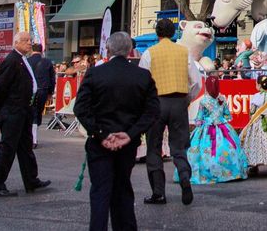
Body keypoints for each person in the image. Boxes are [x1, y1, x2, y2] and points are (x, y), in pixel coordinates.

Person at [75, 32, 159, 231]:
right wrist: (130, 134)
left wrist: (100, 133)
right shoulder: (141, 75)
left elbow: (81, 108)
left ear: (108, 49)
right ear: (130, 50)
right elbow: (152, 111)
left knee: (100, 192)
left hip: (100, 141)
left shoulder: (95, 73)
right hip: (127, 141)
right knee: (122, 188)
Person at [137, 18, 200, 206]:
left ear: (157, 33)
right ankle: (184, 178)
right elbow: (196, 82)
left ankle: (158, 193)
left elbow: (142, 82)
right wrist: (186, 99)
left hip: (157, 102)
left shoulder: (149, 53)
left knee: (154, 147)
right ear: (174, 33)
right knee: (179, 147)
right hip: (178, 101)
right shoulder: (184, 52)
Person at [0, 31, 51, 197]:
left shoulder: (22, 60)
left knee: (25, 147)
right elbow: (1, 86)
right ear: (16, 43)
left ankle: (31, 179)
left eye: (30, 40)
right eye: (25, 40)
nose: (29, 43)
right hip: (13, 110)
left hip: (24, 110)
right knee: (8, 147)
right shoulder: (12, 60)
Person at [185, 76, 247, 183]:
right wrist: (220, 119)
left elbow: (199, 119)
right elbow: (228, 116)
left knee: (199, 150)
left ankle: (206, 173)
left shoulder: (203, 101)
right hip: (223, 128)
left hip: (206, 130)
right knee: (230, 147)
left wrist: (202, 122)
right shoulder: (222, 99)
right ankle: (231, 172)